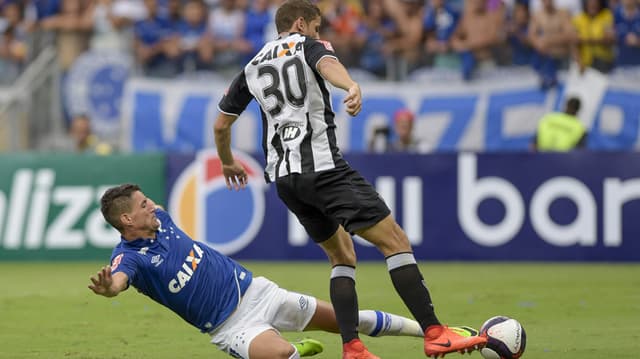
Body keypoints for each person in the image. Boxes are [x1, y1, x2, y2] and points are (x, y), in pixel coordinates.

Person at [213, 1, 487, 358]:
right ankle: (435, 333)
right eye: (315, 27)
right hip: (323, 168)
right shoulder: (308, 45)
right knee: (395, 241)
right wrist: (351, 85)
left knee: (342, 255)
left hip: (285, 180)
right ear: (299, 23)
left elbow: (221, 125)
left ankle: (353, 347)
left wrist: (228, 161)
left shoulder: (251, 66)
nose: (318, 33)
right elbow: (327, 63)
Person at [88, 183, 429, 359]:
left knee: (350, 323)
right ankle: (294, 346)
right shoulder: (130, 258)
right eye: (143, 204)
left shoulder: (161, 219)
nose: (152, 205)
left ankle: (429, 332)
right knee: (281, 354)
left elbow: (153, 210)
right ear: (127, 220)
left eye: (148, 200)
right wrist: (109, 288)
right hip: (230, 326)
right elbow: (118, 281)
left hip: (258, 292)